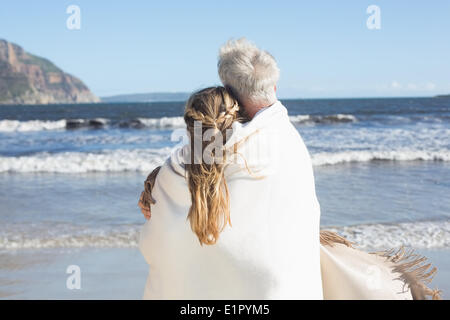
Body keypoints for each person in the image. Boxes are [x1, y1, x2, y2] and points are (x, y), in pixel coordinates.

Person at [138, 39, 441, 300]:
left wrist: (156, 179)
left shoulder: (195, 156)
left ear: (227, 89)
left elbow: (165, 218)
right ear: (273, 86)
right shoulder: (287, 140)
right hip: (280, 285)